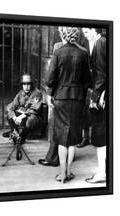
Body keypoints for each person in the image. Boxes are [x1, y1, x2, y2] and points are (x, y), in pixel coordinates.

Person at [46, 27, 91, 183]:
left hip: (61, 98)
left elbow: (49, 80)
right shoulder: (84, 53)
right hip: (78, 99)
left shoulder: (58, 52)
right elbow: (88, 80)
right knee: (72, 138)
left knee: (61, 138)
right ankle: (69, 172)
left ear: (64, 36)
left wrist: (56, 88)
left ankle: (62, 174)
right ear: (77, 36)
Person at [39, 27, 66, 167]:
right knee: (68, 128)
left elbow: (51, 77)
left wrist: (49, 93)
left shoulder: (58, 47)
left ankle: (52, 157)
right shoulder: (82, 50)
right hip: (74, 96)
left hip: (58, 94)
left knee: (54, 125)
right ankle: (65, 158)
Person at [84, 28, 107, 184]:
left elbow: (101, 74)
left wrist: (96, 96)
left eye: (86, 31)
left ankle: (102, 173)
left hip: (101, 99)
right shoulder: (105, 41)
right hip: (106, 94)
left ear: (95, 30)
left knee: (100, 136)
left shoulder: (99, 44)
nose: (85, 35)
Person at [2, 74, 43, 145]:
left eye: (28, 84)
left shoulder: (37, 93)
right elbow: (11, 106)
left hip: (33, 117)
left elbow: (33, 110)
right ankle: (14, 132)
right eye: (24, 85)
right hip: (22, 115)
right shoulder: (20, 93)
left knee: (31, 119)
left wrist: (20, 117)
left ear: (31, 85)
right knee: (9, 114)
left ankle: (22, 137)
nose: (26, 87)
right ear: (22, 85)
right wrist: (15, 118)